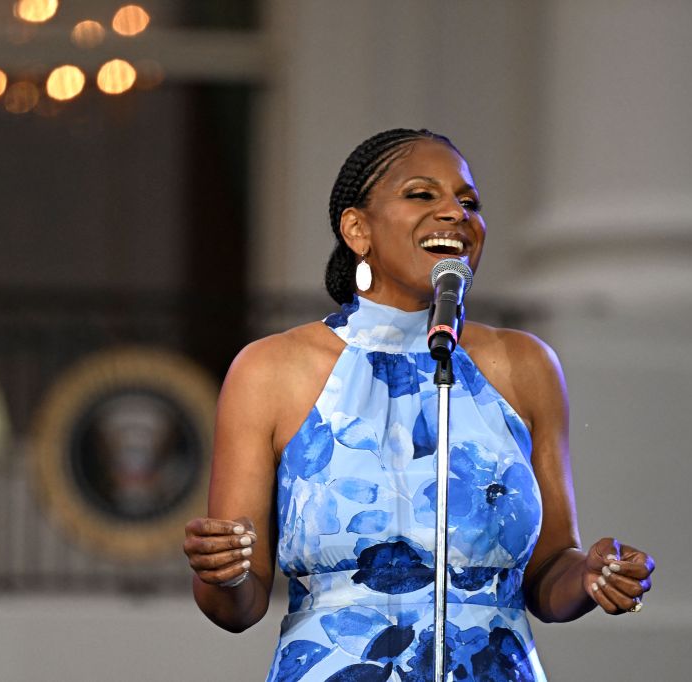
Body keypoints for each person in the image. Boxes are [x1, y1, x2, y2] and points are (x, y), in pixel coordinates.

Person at [183, 128, 655, 681]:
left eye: (468, 201)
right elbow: (239, 605)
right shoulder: (269, 370)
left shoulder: (526, 365)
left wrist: (592, 577)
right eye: (422, 195)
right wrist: (225, 573)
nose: (455, 212)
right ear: (357, 229)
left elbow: (549, 572)